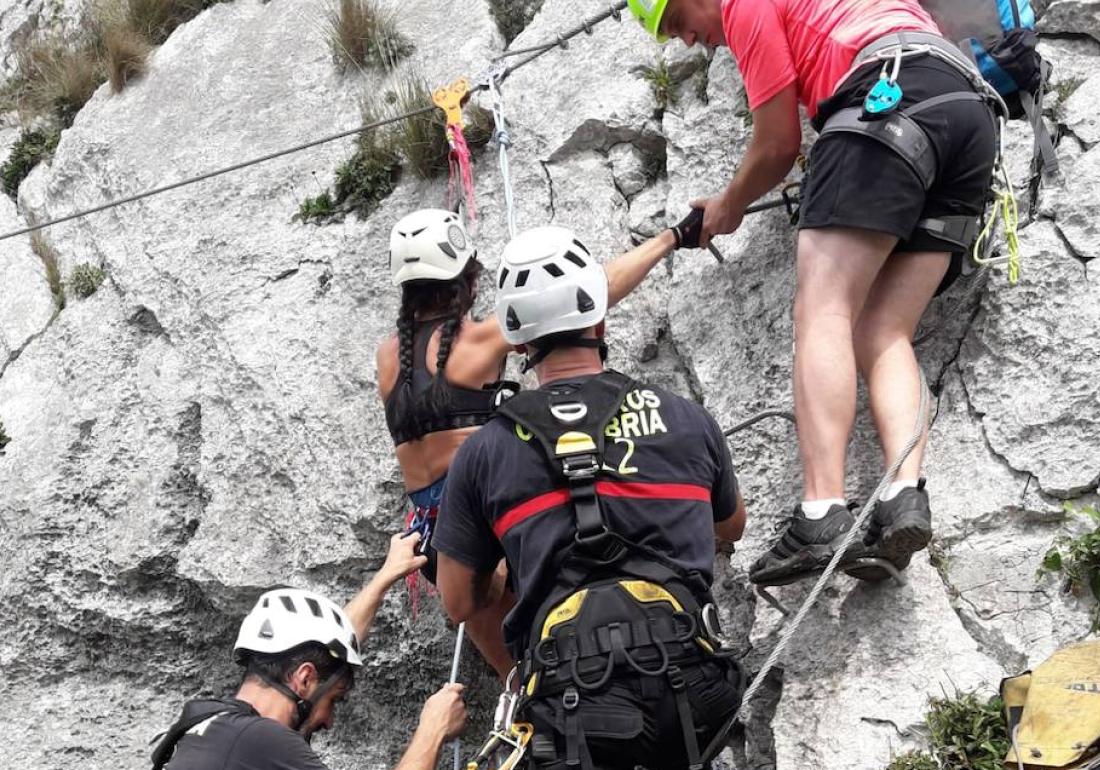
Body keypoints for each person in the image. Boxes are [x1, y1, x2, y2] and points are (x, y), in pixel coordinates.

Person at [627, 0, 1001, 584]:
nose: (688, 42)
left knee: (823, 308)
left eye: (678, 22)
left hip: (890, 100)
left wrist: (727, 206)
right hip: (967, 115)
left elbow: (775, 145)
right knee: (884, 331)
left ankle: (822, 511)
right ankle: (904, 496)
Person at [433, 225, 746, 770]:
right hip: (691, 693)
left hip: (571, 708)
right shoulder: (685, 419)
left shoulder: (485, 452)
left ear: (520, 341)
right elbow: (731, 527)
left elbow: (459, 601)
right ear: (598, 317)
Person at [376, 208, 702, 679]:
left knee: (520, 679)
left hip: (433, 534)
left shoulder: (388, 356)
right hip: (490, 517)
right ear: (465, 278)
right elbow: (585, 296)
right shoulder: (479, 341)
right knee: (565, 636)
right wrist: (669, 238)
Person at [151, 532, 468, 770]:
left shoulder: (209, 726)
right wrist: (434, 728)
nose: (329, 720)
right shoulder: (263, 741)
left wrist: (384, 578)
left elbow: (330, 649)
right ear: (303, 678)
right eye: (334, 701)